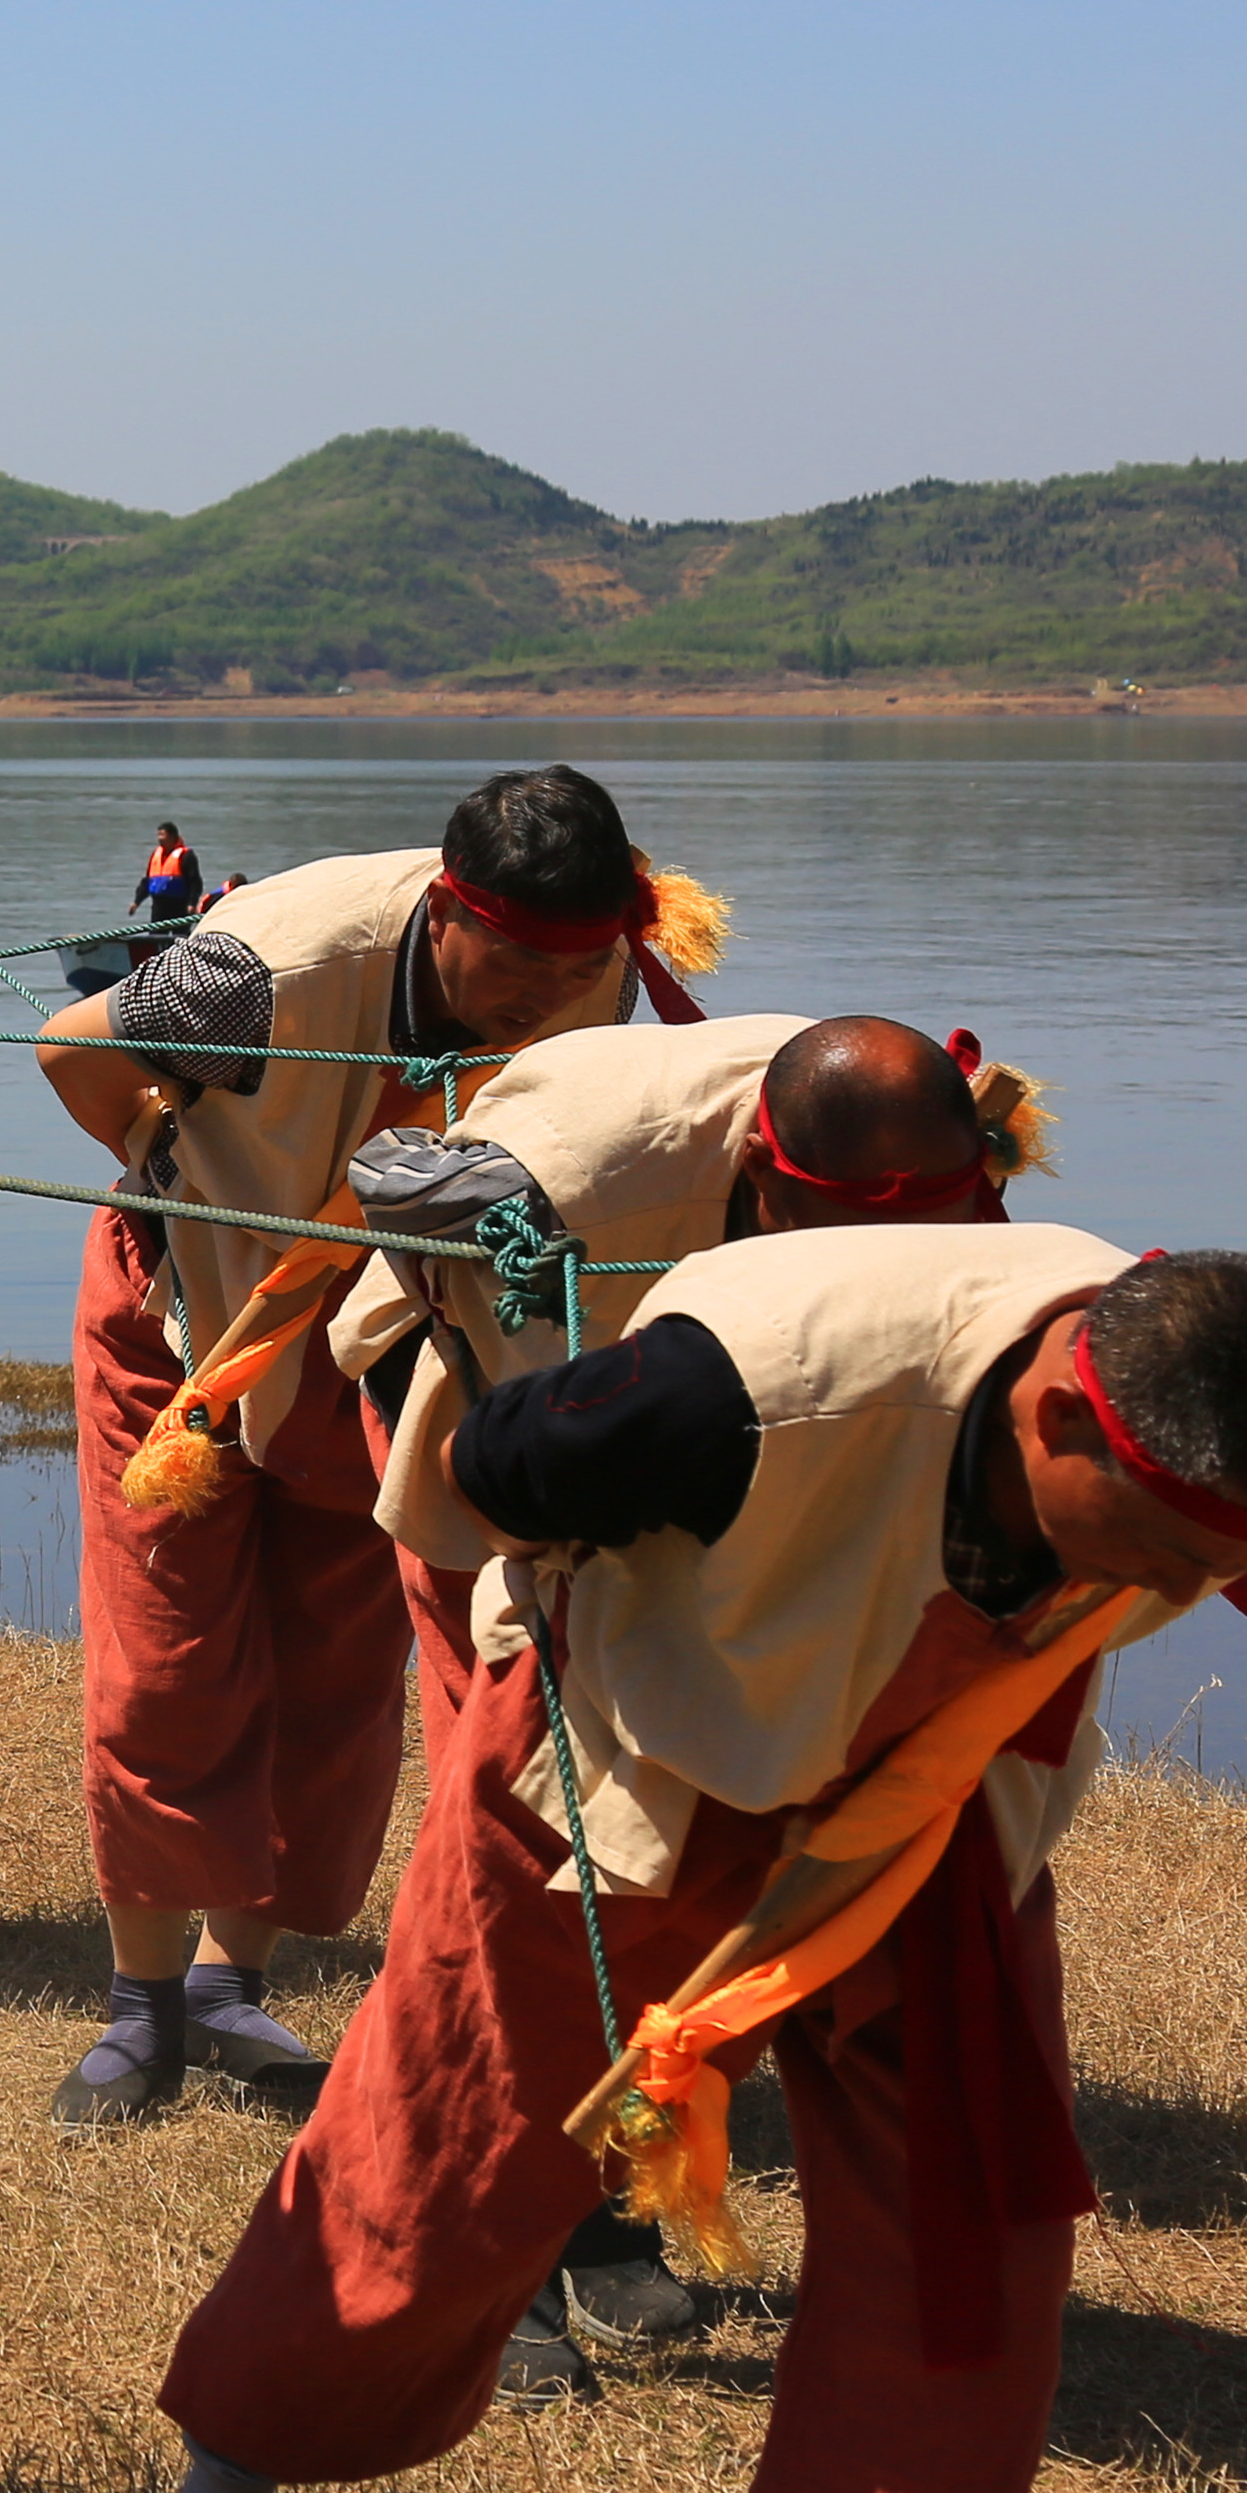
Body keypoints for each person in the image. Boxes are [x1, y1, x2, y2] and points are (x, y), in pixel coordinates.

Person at [134, 1236, 1247, 2493]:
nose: (1162, 1595)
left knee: (968, 2219)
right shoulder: (731, 1389)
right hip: (626, 1781)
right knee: (431, 2157)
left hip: (925, 1809)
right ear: (1059, 1416)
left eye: (1210, 1571)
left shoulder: (1182, 1391)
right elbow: (470, 1476)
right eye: (1148, 1551)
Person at [333, 1012, 1050, 2395]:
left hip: (743, 1446)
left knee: (718, 1821)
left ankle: (606, 2195)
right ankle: (492, 2256)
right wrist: (502, 1288)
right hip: (503, 1408)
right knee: (531, 1854)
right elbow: (486, 1423)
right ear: (768, 1189)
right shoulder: (588, 1165)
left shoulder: (953, 1184)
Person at [22, 764, 720, 2129]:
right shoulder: (257, 970)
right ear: (444, 910)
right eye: (510, 955)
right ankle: (139, 2004)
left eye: (572, 962)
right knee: (161, 1663)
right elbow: (69, 1049)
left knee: (332, 1669)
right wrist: (179, 1173)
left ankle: (231, 1982)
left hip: (376, 1342)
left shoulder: (598, 979)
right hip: (184, 1319)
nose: (537, 988)